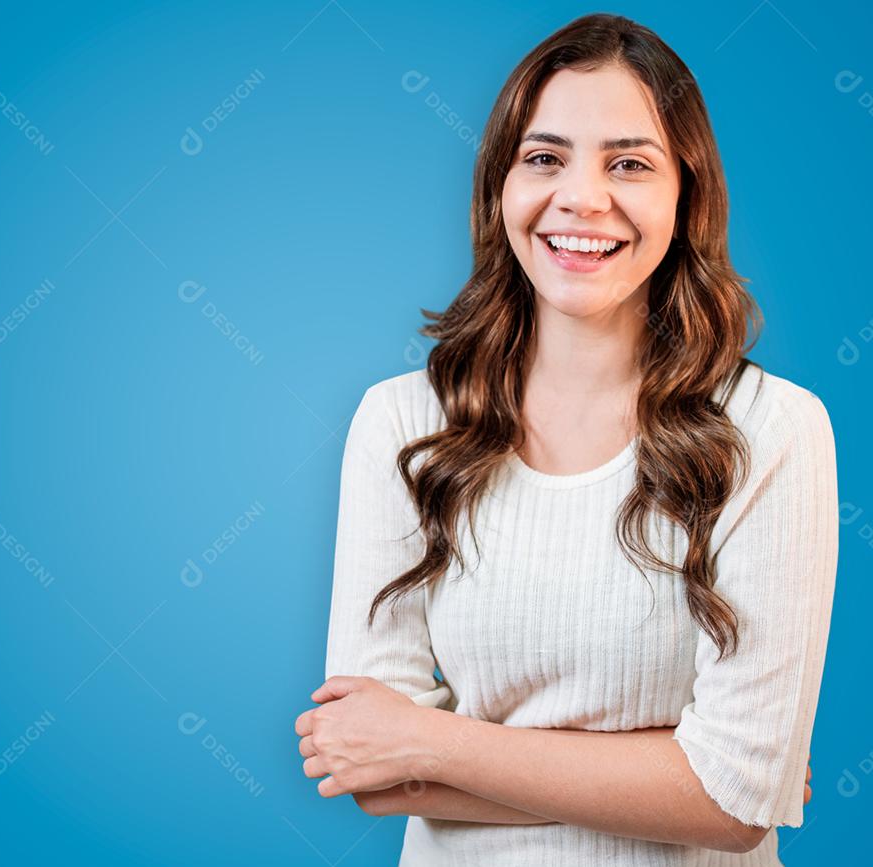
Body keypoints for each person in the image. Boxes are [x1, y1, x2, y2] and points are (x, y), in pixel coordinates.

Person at [294, 12, 837, 866]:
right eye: (544, 158)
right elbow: (367, 765)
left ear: (687, 196)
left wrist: (430, 743)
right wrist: (674, 773)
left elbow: (735, 802)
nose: (582, 197)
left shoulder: (773, 430)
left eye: (629, 163)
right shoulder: (403, 424)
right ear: (499, 189)